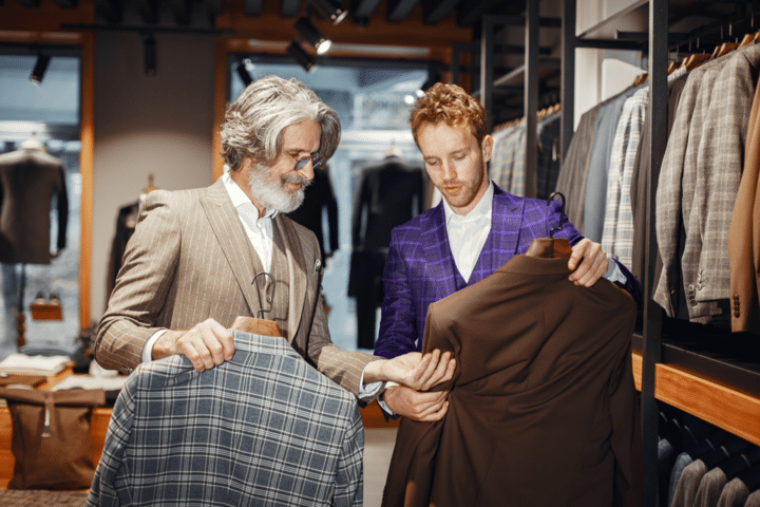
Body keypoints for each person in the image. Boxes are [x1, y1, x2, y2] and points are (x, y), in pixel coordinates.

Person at [94, 75, 455, 403]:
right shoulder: (175, 214)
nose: (309, 173)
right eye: (296, 157)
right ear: (253, 147)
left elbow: (314, 351)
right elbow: (111, 335)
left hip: (272, 456)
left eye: (313, 158)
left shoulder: (305, 244)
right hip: (186, 449)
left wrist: (381, 369)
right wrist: (174, 341)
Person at [374, 82, 642, 421]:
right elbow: (394, 337)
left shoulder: (540, 220)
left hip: (526, 426)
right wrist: (392, 395)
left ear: (486, 148)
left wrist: (605, 266)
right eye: (433, 162)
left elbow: (619, 298)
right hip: (438, 423)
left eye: (459, 157)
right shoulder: (407, 239)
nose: (448, 175)